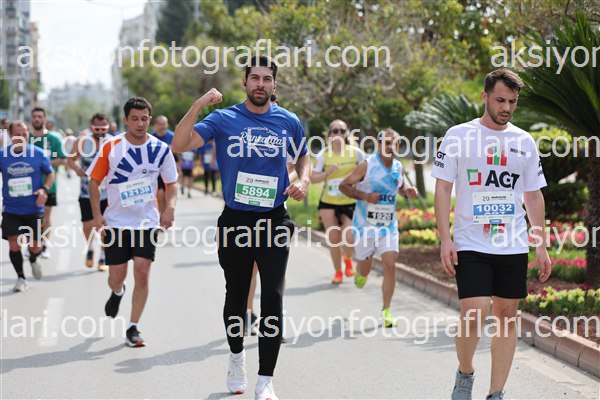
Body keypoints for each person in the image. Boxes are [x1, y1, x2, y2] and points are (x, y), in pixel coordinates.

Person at [173, 56, 310, 400]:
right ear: (245, 82)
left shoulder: (288, 120)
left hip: (274, 219)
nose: (261, 84)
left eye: (267, 79)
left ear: (274, 85)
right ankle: (236, 358)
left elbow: (303, 154)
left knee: (273, 298)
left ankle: (266, 380)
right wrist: (199, 104)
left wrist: (304, 180)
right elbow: (179, 144)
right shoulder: (223, 119)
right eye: (255, 78)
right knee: (236, 297)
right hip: (235, 220)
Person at [431, 69, 551, 400]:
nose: (506, 107)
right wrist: (445, 238)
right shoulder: (458, 135)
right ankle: (465, 372)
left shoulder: (524, 142)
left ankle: (496, 393)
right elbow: (443, 188)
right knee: (474, 313)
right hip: (471, 241)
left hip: (512, 243)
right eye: (500, 100)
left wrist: (540, 244)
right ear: (485, 97)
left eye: (512, 101)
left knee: (507, 316)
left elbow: (533, 196)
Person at [88, 97, 178, 347]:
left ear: (150, 119)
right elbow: (94, 183)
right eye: (135, 119)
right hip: (116, 223)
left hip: (146, 222)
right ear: (126, 119)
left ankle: (133, 327)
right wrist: (97, 215)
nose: (140, 124)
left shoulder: (161, 149)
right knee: (116, 277)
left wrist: (170, 208)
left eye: (144, 119)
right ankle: (118, 291)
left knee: (143, 273)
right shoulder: (111, 146)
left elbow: (172, 184)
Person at [339, 128, 418, 327]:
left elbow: (399, 187)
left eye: (395, 144)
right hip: (365, 226)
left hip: (388, 226)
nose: (390, 147)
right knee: (365, 269)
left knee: (390, 264)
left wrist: (407, 192)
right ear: (379, 144)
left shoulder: (398, 166)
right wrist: (365, 196)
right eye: (386, 143)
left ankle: (386, 310)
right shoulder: (367, 165)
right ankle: (361, 273)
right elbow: (343, 186)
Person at [0, 121, 54, 291]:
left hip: (34, 208)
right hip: (11, 209)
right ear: (10, 136)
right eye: (17, 134)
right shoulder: (2, 155)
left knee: (36, 246)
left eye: (24, 134)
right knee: (14, 243)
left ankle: (33, 259)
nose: (21, 138)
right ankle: (21, 278)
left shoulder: (38, 153)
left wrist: (44, 190)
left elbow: (50, 174)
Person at [311, 119, 364, 283]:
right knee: (334, 238)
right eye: (335, 131)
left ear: (347, 134)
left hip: (350, 201)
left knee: (349, 237)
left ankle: (347, 259)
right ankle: (338, 272)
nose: (339, 134)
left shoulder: (356, 153)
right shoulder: (323, 155)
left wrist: (356, 176)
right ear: (329, 134)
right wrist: (328, 173)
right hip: (328, 202)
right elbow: (312, 178)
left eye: (342, 131)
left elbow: (367, 173)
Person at [67, 113, 110, 271]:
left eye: (103, 128)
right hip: (87, 191)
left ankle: (103, 256)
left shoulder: (113, 141)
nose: (100, 131)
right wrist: (77, 169)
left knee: (106, 225)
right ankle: (91, 248)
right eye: (97, 128)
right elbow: (70, 159)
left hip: (108, 192)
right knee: (88, 225)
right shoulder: (83, 142)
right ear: (92, 127)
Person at [29, 107, 67, 259]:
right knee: (29, 216)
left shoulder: (54, 139)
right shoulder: (27, 138)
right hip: (29, 186)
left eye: (40, 116)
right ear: (31, 119)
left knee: (45, 215)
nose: (37, 119)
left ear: (45, 119)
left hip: (49, 185)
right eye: (35, 116)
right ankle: (31, 244)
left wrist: (44, 164)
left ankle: (44, 245)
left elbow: (63, 159)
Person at [151, 115, 176, 213]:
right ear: (156, 125)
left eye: (164, 124)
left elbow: (178, 152)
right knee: (160, 194)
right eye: (160, 124)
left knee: (169, 195)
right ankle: (162, 216)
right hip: (156, 170)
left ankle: (168, 212)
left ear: (167, 125)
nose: (162, 126)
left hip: (169, 169)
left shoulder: (172, 136)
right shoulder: (151, 138)